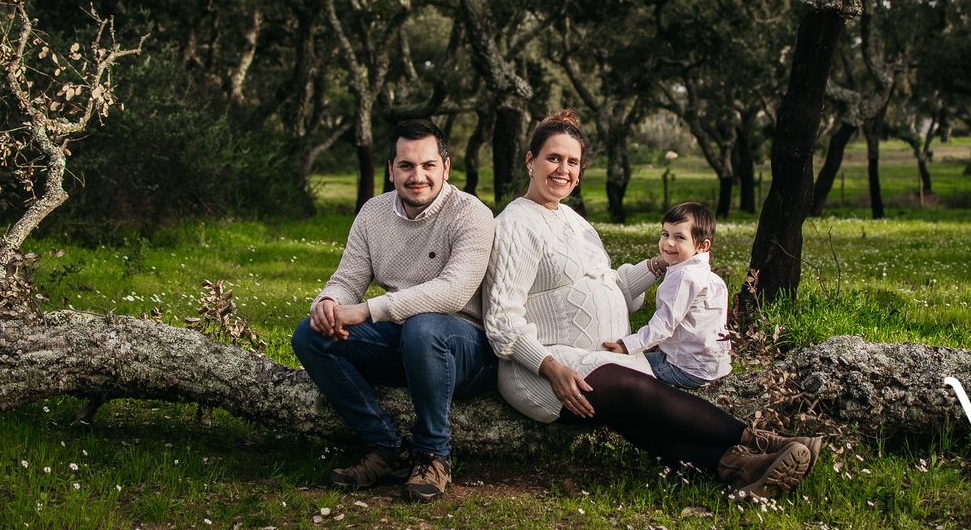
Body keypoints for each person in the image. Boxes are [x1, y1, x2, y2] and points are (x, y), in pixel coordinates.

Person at [484, 110, 822, 499]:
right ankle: (765, 442)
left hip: (594, 357)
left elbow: (611, 285)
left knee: (636, 420)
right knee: (633, 390)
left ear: (579, 171)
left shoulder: (576, 221)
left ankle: (742, 468)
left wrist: (659, 264)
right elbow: (501, 319)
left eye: (572, 161)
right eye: (553, 158)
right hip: (543, 370)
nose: (563, 169)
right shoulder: (515, 224)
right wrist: (551, 367)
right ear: (531, 161)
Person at [291, 120, 498, 503]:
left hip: (469, 351)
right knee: (310, 334)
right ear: (391, 170)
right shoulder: (373, 213)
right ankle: (385, 447)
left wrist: (368, 310)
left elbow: (452, 293)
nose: (417, 176)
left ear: (446, 168)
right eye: (406, 166)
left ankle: (434, 454)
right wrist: (328, 303)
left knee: (424, 327)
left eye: (428, 165)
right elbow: (347, 277)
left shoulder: (471, 214)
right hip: (405, 341)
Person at [602, 202, 732, 388]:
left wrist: (627, 346)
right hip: (714, 366)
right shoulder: (711, 278)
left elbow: (664, 324)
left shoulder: (683, 277)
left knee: (620, 369)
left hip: (684, 368)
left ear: (702, 246)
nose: (669, 243)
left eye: (679, 237)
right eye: (665, 234)